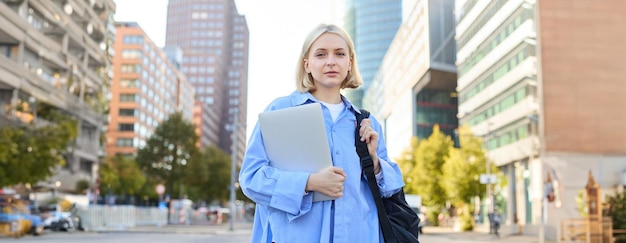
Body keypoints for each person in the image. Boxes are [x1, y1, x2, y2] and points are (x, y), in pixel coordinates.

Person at [238, 23, 405, 243]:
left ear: (349, 63)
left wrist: (373, 161)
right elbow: (251, 178)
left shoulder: (367, 122)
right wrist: (309, 182)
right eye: (321, 54)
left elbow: (390, 188)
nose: (331, 61)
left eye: (339, 53)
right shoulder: (281, 111)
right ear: (307, 64)